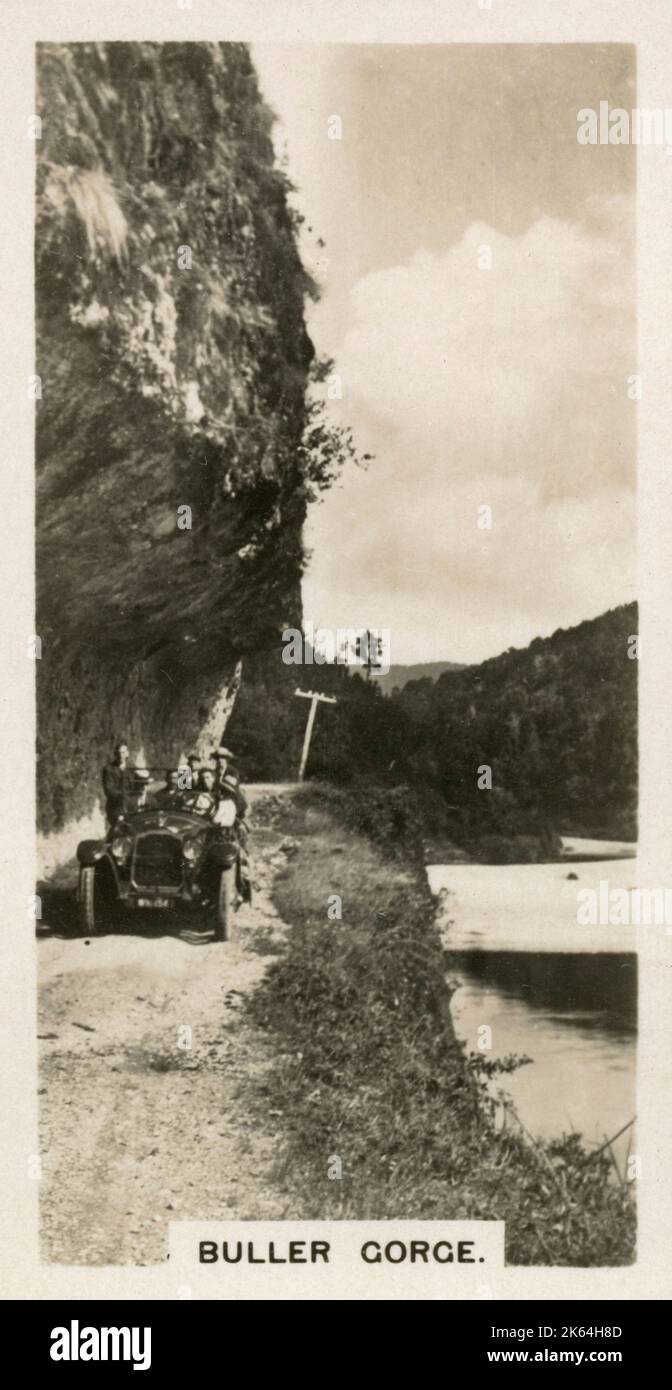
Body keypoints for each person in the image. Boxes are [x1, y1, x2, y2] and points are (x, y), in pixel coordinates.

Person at [102, 741, 133, 828]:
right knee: (118, 832)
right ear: (115, 754)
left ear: (127, 754)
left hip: (131, 807)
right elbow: (109, 789)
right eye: (118, 753)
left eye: (123, 753)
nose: (120, 756)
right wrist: (122, 795)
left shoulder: (131, 769)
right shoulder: (109, 769)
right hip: (115, 807)